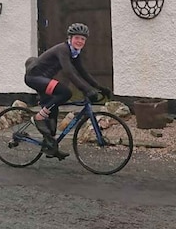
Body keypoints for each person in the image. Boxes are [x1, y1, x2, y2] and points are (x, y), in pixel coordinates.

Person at [24, 23, 112, 158]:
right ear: (70, 38)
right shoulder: (63, 49)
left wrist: (100, 87)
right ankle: (39, 117)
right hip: (35, 78)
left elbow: (83, 72)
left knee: (52, 123)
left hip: (44, 80)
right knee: (65, 92)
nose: (80, 41)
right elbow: (69, 73)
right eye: (77, 38)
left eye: (83, 39)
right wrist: (86, 89)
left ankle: (50, 147)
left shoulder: (75, 53)